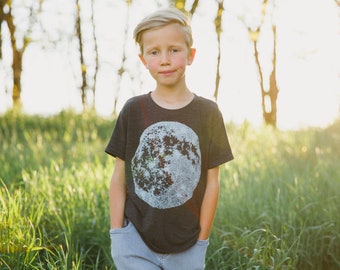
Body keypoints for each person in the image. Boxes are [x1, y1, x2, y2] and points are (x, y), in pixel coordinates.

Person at [105, 7, 233, 270]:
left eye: (174, 49)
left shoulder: (208, 113)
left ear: (190, 55)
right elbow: (119, 176)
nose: (165, 59)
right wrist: (117, 234)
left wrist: (202, 242)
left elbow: (212, 183)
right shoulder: (132, 110)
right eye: (154, 52)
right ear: (143, 60)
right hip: (134, 242)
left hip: (188, 246)